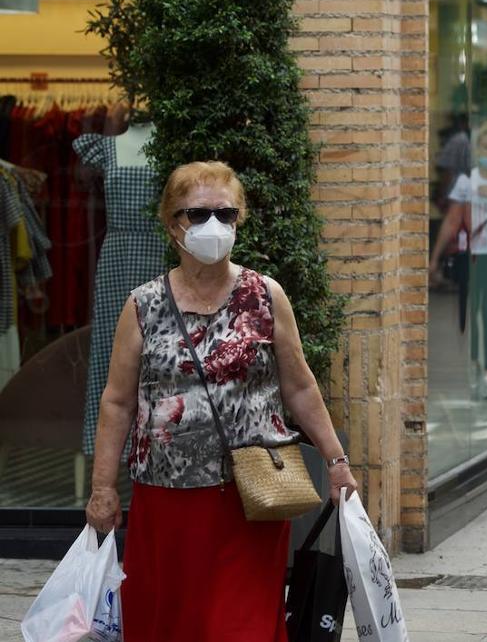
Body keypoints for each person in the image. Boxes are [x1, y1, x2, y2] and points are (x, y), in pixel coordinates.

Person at [85, 161, 358, 642]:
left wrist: (337, 461)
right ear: (173, 223)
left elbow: (299, 386)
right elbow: (118, 402)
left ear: (240, 219)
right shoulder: (142, 305)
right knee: (170, 623)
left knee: (239, 626)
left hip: (252, 497)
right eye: (198, 214)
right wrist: (103, 488)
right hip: (167, 502)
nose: (214, 226)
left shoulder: (265, 296)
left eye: (226, 214)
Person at [430, 128, 487, 399]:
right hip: (471, 255)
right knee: (472, 311)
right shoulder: (466, 181)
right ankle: (473, 363)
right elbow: (451, 220)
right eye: (485, 148)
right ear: (478, 151)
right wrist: (434, 257)